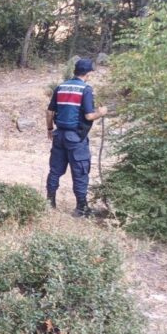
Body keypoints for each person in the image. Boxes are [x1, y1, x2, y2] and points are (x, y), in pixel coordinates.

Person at [46, 58, 108, 217]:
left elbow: (49, 112)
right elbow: (88, 116)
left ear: (75, 71)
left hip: (59, 135)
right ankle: (81, 209)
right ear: (88, 73)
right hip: (76, 138)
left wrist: (49, 129)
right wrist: (101, 113)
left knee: (55, 170)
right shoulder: (85, 89)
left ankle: (49, 203)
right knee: (80, 171)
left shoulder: (61, 86)